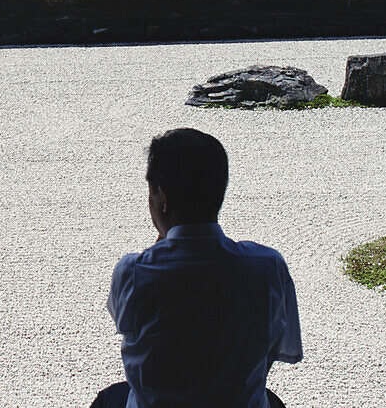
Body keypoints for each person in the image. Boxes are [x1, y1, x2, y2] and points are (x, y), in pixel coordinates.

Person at [94, 128, 302, 408]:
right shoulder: (267, 267)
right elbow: (269, 352)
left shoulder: (134, 272)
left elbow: (127, 324)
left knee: (112, 398)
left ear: (163, 199)